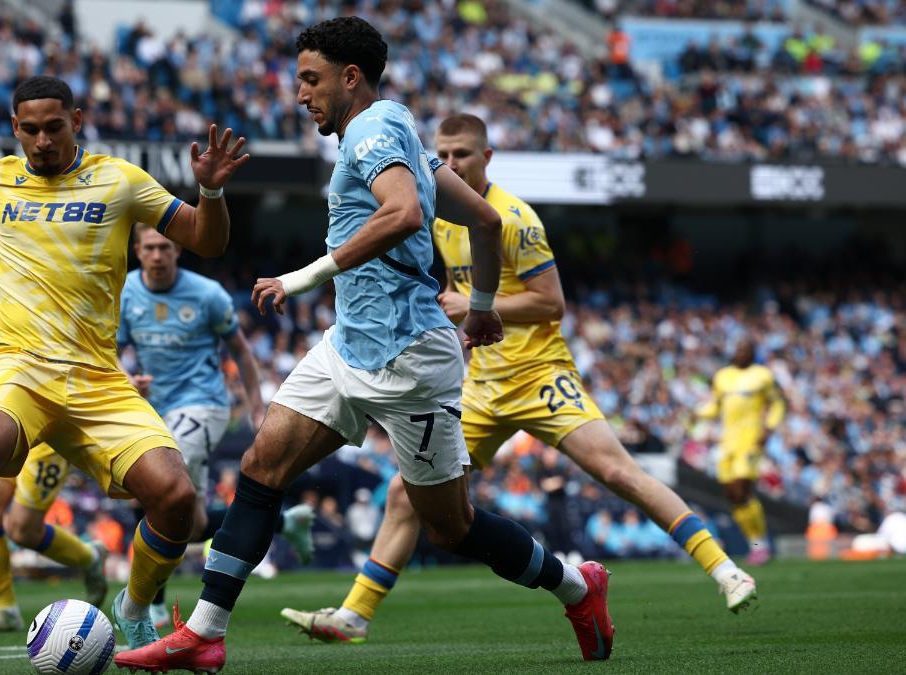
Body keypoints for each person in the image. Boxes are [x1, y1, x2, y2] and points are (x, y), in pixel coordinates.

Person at [115, 18, 613, 672]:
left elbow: (404, 211)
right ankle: (205, 632)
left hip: (406, 360)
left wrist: (308, 274)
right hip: (348, 345)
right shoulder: (396, 124)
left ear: (351, 77)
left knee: (450, 524)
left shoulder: (374, 132)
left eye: (310, 78)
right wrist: (484, 308)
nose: (300, 93)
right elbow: (484, 219)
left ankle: (578, 586)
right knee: (262, 468)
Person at [280, 113, 759, 645]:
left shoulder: (515, 218)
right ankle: (355, 615)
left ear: (487, 158)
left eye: (463, 154)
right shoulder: (439, 211)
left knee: (618, 472)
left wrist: (471, 305)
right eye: (445, 153)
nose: (452, 163)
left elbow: (552, 302)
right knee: (402, 494)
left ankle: (725, 569)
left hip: (539, 375)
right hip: (483, 383)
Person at [0, 75, 250, 667]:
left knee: (174, 498)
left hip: (98, 378)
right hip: (19, 367)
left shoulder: (120, 180)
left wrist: (212, 196)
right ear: (16, 128)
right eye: (30, 129)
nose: (41, 140)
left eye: (53, 127)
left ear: (77, 120)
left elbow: (205, 241)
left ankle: (134, 606)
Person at [118, 223, 316, 626]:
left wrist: (260, 409)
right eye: (149, 248)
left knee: (158, 489)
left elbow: (241, 353)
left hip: (203, 405)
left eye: (165, 247)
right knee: (190, 523)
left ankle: (152, 604)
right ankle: (284, 522)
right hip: (152, 408)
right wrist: (126, 377)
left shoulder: (207, 295)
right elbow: (112, 349)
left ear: (177, 250)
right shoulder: (124, 292)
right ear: (137, 250)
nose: (157, 255)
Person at [0, 443, 110, 635]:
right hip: (16, 434)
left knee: (22, 531)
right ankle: (5, 610)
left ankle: (90, 557)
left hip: (46, 436)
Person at [698, 338, 784, 565]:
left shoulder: (763, 375)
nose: (739, 352)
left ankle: (761, 545)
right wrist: (698, 413)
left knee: (742, 487)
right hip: (727, 443)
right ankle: (756, 544)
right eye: (737, 348)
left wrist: (769, 428)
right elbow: (715, 406)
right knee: (733, 496)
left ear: (752, 353)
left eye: (744, 349)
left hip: (751, 440)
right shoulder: (722, 376)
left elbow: (777, 404)